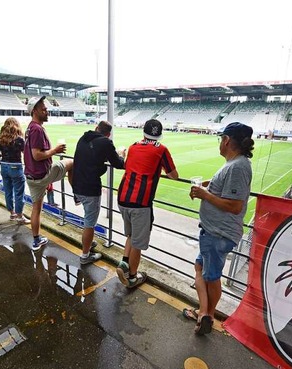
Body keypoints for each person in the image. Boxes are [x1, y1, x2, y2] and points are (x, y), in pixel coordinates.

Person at [185, 122, 254, 335]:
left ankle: (207, 315)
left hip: (218, 233)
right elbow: (226, 191)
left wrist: (205, 194)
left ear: (226, 140)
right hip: (212, 231)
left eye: (220, 139)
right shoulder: (234, 164)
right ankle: (204, 312)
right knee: (200, 269)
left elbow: (235, 206)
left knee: (212, 276)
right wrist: (208, 185)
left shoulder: (238, 167)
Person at [116, 119, 178, 288]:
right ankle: (133, 277)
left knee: (130, 234)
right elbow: (174, 175)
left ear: (143, 132)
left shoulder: (133, 146)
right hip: (141, 203)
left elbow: (128, 166)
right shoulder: (161, 150)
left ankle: (124, 263)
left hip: (122, 198)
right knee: (138, 243)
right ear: (159, 135)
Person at [23, 96, 74, 251]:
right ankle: (77, 194)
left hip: (31, 177)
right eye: (43, 108)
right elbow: (37, 155)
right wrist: (55, 151)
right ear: (35, 111)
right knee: (73, 163)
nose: (47, 111)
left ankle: (36, 240)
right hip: (43, 174)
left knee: (36, 209)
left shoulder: (30, 128)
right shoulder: (37, 129)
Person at [73, 120, 125, 265]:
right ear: (108, 134)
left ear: (96, 128)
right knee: (90, 223)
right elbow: (119, 164)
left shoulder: (83, 138)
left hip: (77, 185)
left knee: (87, 219)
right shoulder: (106, 142)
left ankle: (88, 243)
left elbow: (87, 161)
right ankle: (85, 256)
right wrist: (121, 154)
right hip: (90, 188)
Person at [0, 117, 30, 225]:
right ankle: (20, 216)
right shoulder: (19, 139)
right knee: (19, 193)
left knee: (8, 191)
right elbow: (26, 155)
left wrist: (3, 155)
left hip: (4, 167)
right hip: (16, 167)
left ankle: (12, 213)